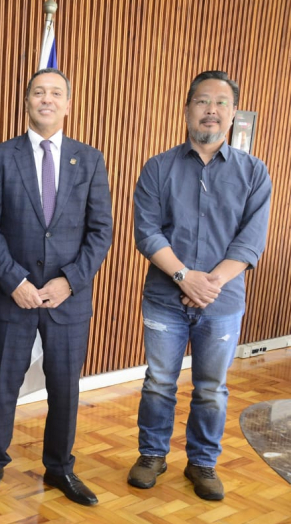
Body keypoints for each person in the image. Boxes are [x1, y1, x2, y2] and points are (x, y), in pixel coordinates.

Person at [0, 68, 112, 506]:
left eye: (55, 93)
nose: (46, 99)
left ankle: (59, 468)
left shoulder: (90, 159)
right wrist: (14, 280)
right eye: (38, 92)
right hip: (12, 296)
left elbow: (101, 231)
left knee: (65, 387)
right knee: (3, 385)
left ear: (67, 104)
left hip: (67, 300)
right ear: (26, 102)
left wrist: (69, 281)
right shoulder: (0, 157)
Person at [129, 70, 271, 501]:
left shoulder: (254, 172)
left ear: (233, 113)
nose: (211, 110)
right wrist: (183, 276)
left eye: (221, 102)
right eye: (203, 101)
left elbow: (251, 240)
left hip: (222, 302)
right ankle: (152, 455)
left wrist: (210, 283)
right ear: (187, 109)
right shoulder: (158, 167)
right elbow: (147, 232)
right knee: (159, 382)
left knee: (211, 388)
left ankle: (203, 462)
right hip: (165, 299)